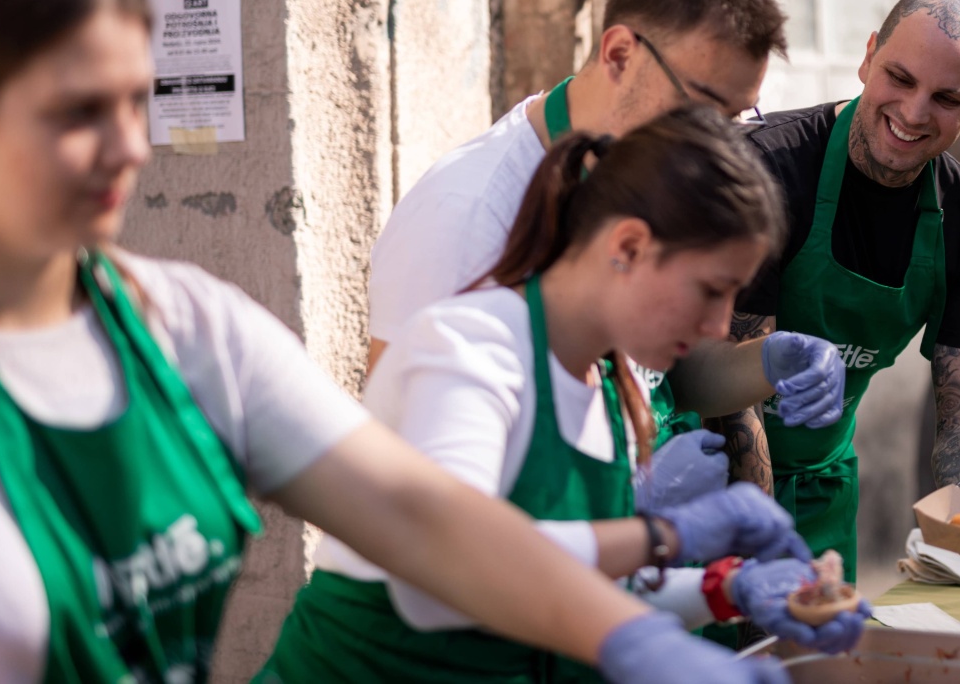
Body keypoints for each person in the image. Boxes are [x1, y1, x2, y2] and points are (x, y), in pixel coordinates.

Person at [0, 0, 791, 684]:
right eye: (79, 111)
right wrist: (656, 560)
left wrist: (679, 584)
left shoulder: (187, 327)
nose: (129, 148)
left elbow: (426, 519)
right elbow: (427, 575)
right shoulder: (468, 264)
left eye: (134, 103)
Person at [262, 108, 869, 681]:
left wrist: (725, 590)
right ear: (628, 247)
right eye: (711, 290)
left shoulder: (607, 384)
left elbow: (579, 591)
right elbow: (443, 575)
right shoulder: (469, 350)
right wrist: (667, 536)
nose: (718, 327)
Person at [367, 0, 846, 448]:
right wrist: (636, 524)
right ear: (619, 54)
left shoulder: (647, 174)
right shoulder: (466, 216)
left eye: (735, 121)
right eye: (705, 112)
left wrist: (764, 361)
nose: (718, 143)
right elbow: (406, 471)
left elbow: (662, 378)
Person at [708, 0, 960, 580]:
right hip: (715, 485)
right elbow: (730, 402)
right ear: (869, 54)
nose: (914, 111)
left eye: (948, 97)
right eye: (899, 78)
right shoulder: (766, 174)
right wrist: (761, 556)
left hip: (825, 489)